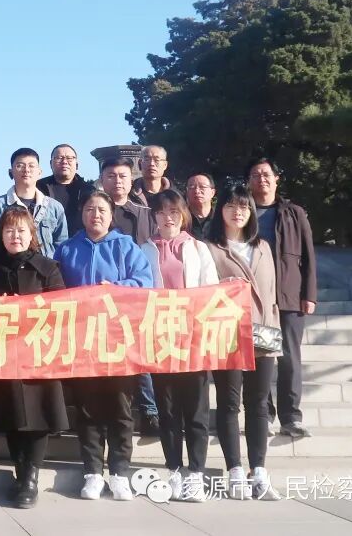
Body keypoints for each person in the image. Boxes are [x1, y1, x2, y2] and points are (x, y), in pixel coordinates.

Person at [54, 190, 153, 502]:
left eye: (101, 210)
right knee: (88, 409)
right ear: (81, 214)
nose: (95, 214)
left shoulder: (126, 246)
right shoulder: (67, 249)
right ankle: (93, 472)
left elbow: (144, 283)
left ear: (111, 216)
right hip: (82, 341)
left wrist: (116, 288)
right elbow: (54, 289)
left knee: (121, 409)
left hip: (119, 342)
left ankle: (120, 472)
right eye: (89, 209)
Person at [0, 206, 69, 509]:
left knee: (38, 414)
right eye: (9, 230)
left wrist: (29, 309)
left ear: (31, 234)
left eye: (21, 230)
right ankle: (19, 471)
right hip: (4, 354)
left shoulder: (47, 267)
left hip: (38, 353)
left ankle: (31, 477)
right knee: (11, 414)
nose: (15, 236)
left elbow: (60, 308)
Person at [139, 190, 218, 503]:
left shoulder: (197, 248)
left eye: (173, 211)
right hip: (161, 339)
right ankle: (174, 470)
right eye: (161, 212)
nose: (167, 217)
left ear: (183, 214)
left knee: (196, 410)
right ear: (154, 217)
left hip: (193, 340)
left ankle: (196, 473)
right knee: (168, 409)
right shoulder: (145, 249)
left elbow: (211, 291)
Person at [206, 183, 282, 501]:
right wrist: (223, 285)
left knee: (259, 403)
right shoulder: (210, 248)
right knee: (228, 403)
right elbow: (201, 290)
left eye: (244, 206)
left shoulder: (263, 246)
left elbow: (272, 293)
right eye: (231, 205)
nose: (238, 212)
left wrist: (274, 329)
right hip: (226, 334)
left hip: (263, 333)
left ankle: (259, 470)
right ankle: (235, 469)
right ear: (220, 209)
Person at [247, 157, 317, 439]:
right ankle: (264, 414)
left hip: (289, 297)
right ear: (249, 181)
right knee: (263, 357)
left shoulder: (293, 213)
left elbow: (309, 255)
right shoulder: (244, 211)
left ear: (276, 178)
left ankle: (291, 417)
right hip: (259, 299)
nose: (261, 179)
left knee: (289, 357)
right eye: (255, 175)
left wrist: (309, 294)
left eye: (266, 174)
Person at [98, 156, 159, 435]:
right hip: (101, 300)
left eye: (122, 176)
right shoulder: (92, 209)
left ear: (131, 179)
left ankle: (149, 410)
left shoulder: (145, 213)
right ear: (102, 179)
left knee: (139, 352)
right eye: (111, 176)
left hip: (136, 295)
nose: (117, 181)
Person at [0, 148, 69, 261]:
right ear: (11, 172)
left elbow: (62, 244)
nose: (26, 170)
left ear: (39, 172)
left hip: (45, 269)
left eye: (31, 166)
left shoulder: (54, 207)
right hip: (8, 269)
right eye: (20, 165)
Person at [37, 143, 93, 235]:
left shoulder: (89, 191)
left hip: (80, 240)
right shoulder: (38, 188)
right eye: (59, 158)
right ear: (51, 164)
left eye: (69, 158)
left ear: (77, 165)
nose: (64, 162)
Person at [185, 173, 218, 240]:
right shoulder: (182, 218)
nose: (197, 191)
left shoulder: (221, 218)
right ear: (187, 192)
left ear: (212, 192)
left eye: (202, 187)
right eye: (192, 187)